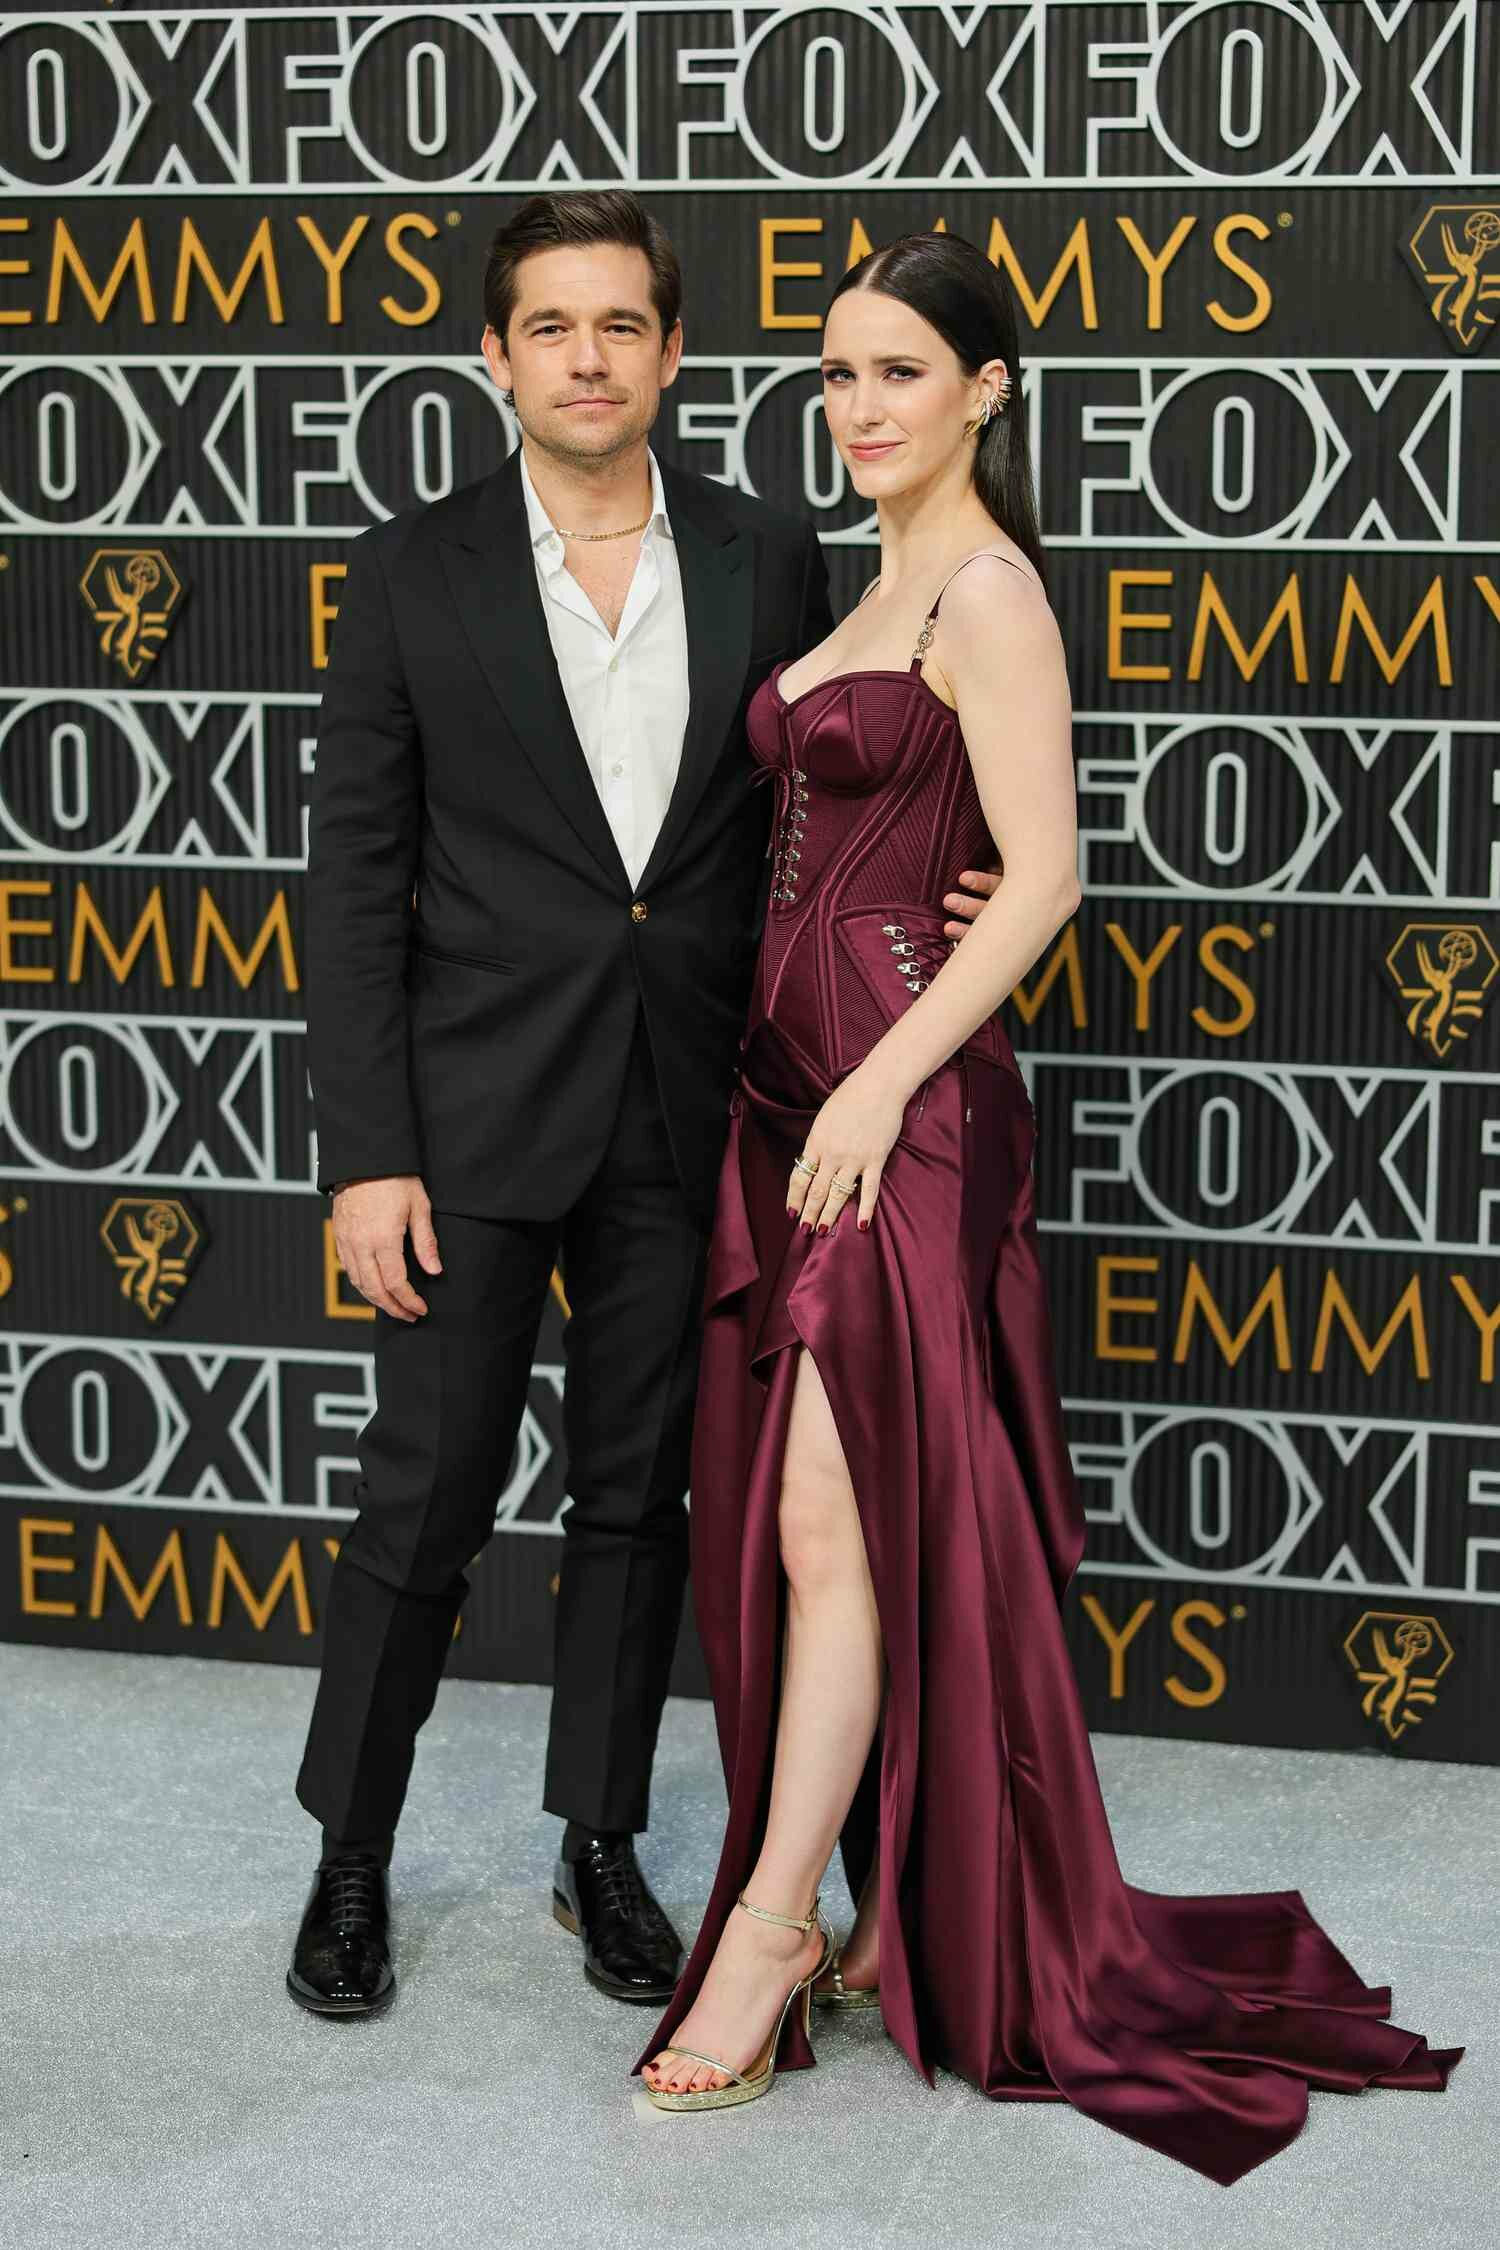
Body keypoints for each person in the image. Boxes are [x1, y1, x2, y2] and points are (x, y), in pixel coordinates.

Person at [636, 233, 1463, 2183]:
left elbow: (1041, 879)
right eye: (835, 373)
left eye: (900, 372)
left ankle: (767, 1938)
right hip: (793, 1105)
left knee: (838, 1507)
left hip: (898, 1114)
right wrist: (806, 1081)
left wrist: (877, 1078)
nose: (857, 408)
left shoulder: (992, 588)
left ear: (987, 390)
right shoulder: (874, 580)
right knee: (809, 1513)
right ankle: (873, 1911)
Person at [288, 186, 1004, 2020]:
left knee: (638, 1508)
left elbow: (865, 780)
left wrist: (973, 878)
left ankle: (597, 1845)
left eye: (623, 325)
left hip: (698, 1115)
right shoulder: (409, 570)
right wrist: (366, 1152)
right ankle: (349, 1859)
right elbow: (355, 881)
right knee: (423, 1501)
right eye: (551, 326)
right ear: (496, 356)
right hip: (463, 1125)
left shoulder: (772, 555)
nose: (589, 357)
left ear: (674, 354)